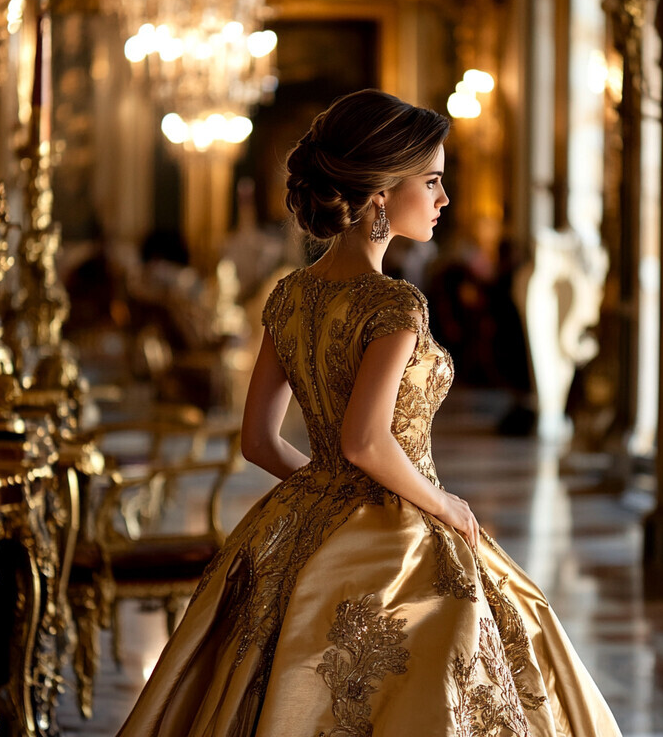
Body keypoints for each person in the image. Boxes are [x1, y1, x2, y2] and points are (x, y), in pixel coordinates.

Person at [115, 90, 622, 737]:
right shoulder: (395, 305)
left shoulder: (291, 295)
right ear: (381, 192)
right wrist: (442, 507)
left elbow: (259, 442)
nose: (444, 200)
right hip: (396, 534)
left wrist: (323, 491)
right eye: (433, 182)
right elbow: (365, 440)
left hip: (300, 522)